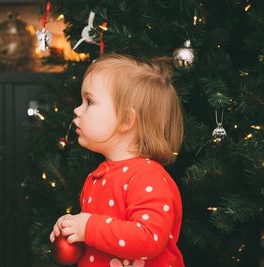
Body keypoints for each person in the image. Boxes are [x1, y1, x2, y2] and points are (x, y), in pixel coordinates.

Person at [50, 54, 185, 267]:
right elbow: (101, 239)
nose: (77, 110)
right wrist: (73, 228)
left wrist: (89, 228)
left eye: (89, 102)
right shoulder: (98, 176)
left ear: (126, 120)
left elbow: (149, 238)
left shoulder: (148, 177)